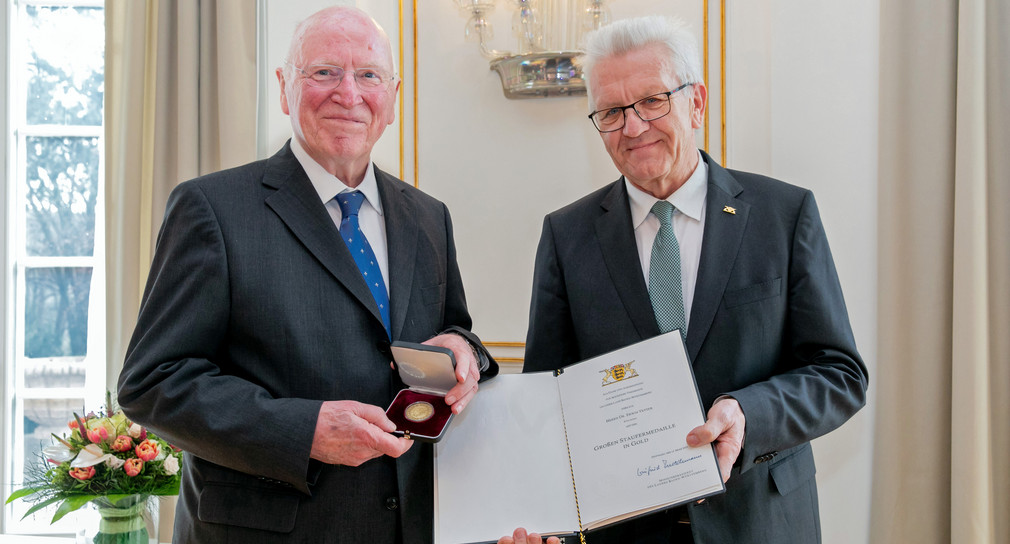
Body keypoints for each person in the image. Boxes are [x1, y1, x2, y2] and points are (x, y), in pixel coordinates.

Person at [117, 7, 497, 543]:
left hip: (409, 526)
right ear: (284, 88)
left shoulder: (428, 216)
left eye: (368, 75)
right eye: (324, 72)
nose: (349, 92)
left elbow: (455, 332)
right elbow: (151, 384)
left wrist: (464, 350)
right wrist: (305, 431)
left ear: (392, 97)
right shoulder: (211, 209)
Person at [516, 15, 868, 544]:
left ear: (696, 103)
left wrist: (748, 412)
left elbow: (840, 374)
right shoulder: (567, 236)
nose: (633, 127)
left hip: (762, 526)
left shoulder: (784, 214)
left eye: (653, 101)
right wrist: (552, 528)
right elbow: (550, 403)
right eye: (611, 111)